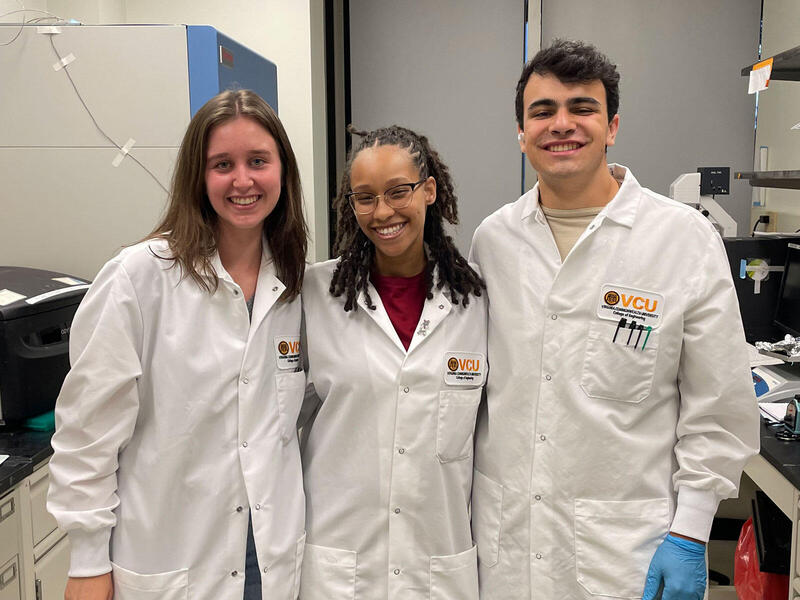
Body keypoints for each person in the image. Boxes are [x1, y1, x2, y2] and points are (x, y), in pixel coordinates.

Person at [468, 40, 759, 600]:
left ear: (612, 126)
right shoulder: (493, 239)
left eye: (582, 108)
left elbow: (719, 405)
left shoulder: (682, 239)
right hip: (506, 548)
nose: (562, 124)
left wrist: (691, 531)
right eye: (542, 111)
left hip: (626, 557)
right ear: (522, 133)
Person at [47, 89, 309, 600]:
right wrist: (87, 561)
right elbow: (87, 433)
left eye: (258, 161)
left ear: (283, 171)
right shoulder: (138, 277)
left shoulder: (296, 284)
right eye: (222, 164)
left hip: (270, 560)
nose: (243, 180)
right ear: (198, 176)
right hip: (172, 561)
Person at [299, 125, 487, 599]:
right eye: (365, 198)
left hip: (436, 565)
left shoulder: (477, 301)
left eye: (398, 192)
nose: (382, 212)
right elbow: (275, 426)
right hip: (341, 565)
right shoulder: (315, 296)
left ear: (429, 191)